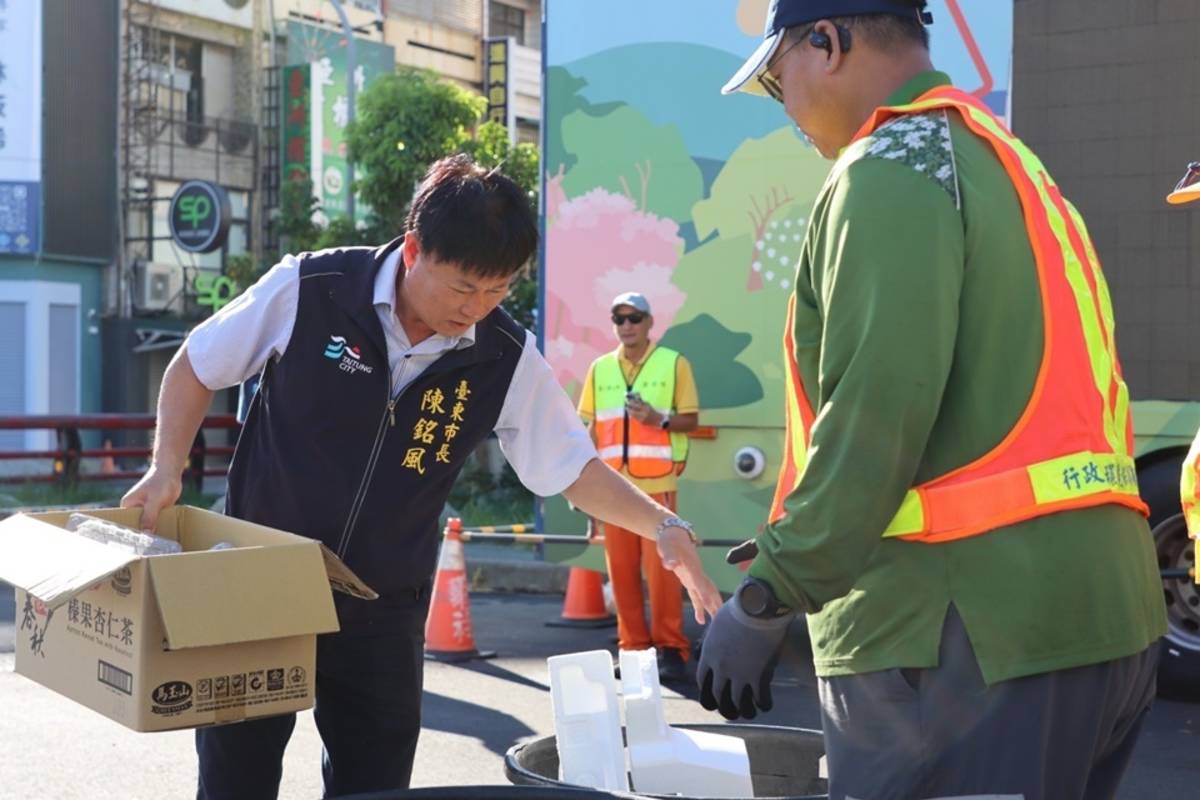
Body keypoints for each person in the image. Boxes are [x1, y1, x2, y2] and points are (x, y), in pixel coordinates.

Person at [120, 155, 721, 800]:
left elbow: (571, 465)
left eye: (499, 290)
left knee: (374, 786)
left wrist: (664, 525)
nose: (478, 308)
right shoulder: (311, 287)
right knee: (235, 780)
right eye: (464, 287)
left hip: (382, 604)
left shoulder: (504, 353)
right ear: (413, 250)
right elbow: (196, 365)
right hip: (256, 580)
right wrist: (165, 468)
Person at [697, 2, 1167, 798]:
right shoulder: (1007, 160)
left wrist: (768, 593)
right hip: (1103, 623)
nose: (787, 110)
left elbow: (878, 412)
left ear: (829, 42)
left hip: (957, 639)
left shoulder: (890, 166)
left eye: (780, 80)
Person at [577, 292, 700, 682]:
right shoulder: (599, 369)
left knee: (664, 571)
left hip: (657, 485)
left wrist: (657, 418)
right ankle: (632, 649)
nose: (627, 325)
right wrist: (583, 490)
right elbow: (588, 430)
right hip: (612, 488)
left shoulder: (675, 363)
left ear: (649, 322)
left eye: (635, 318)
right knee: (622, 572)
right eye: (620, 319)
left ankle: (671, 649)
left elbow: (691, 420)